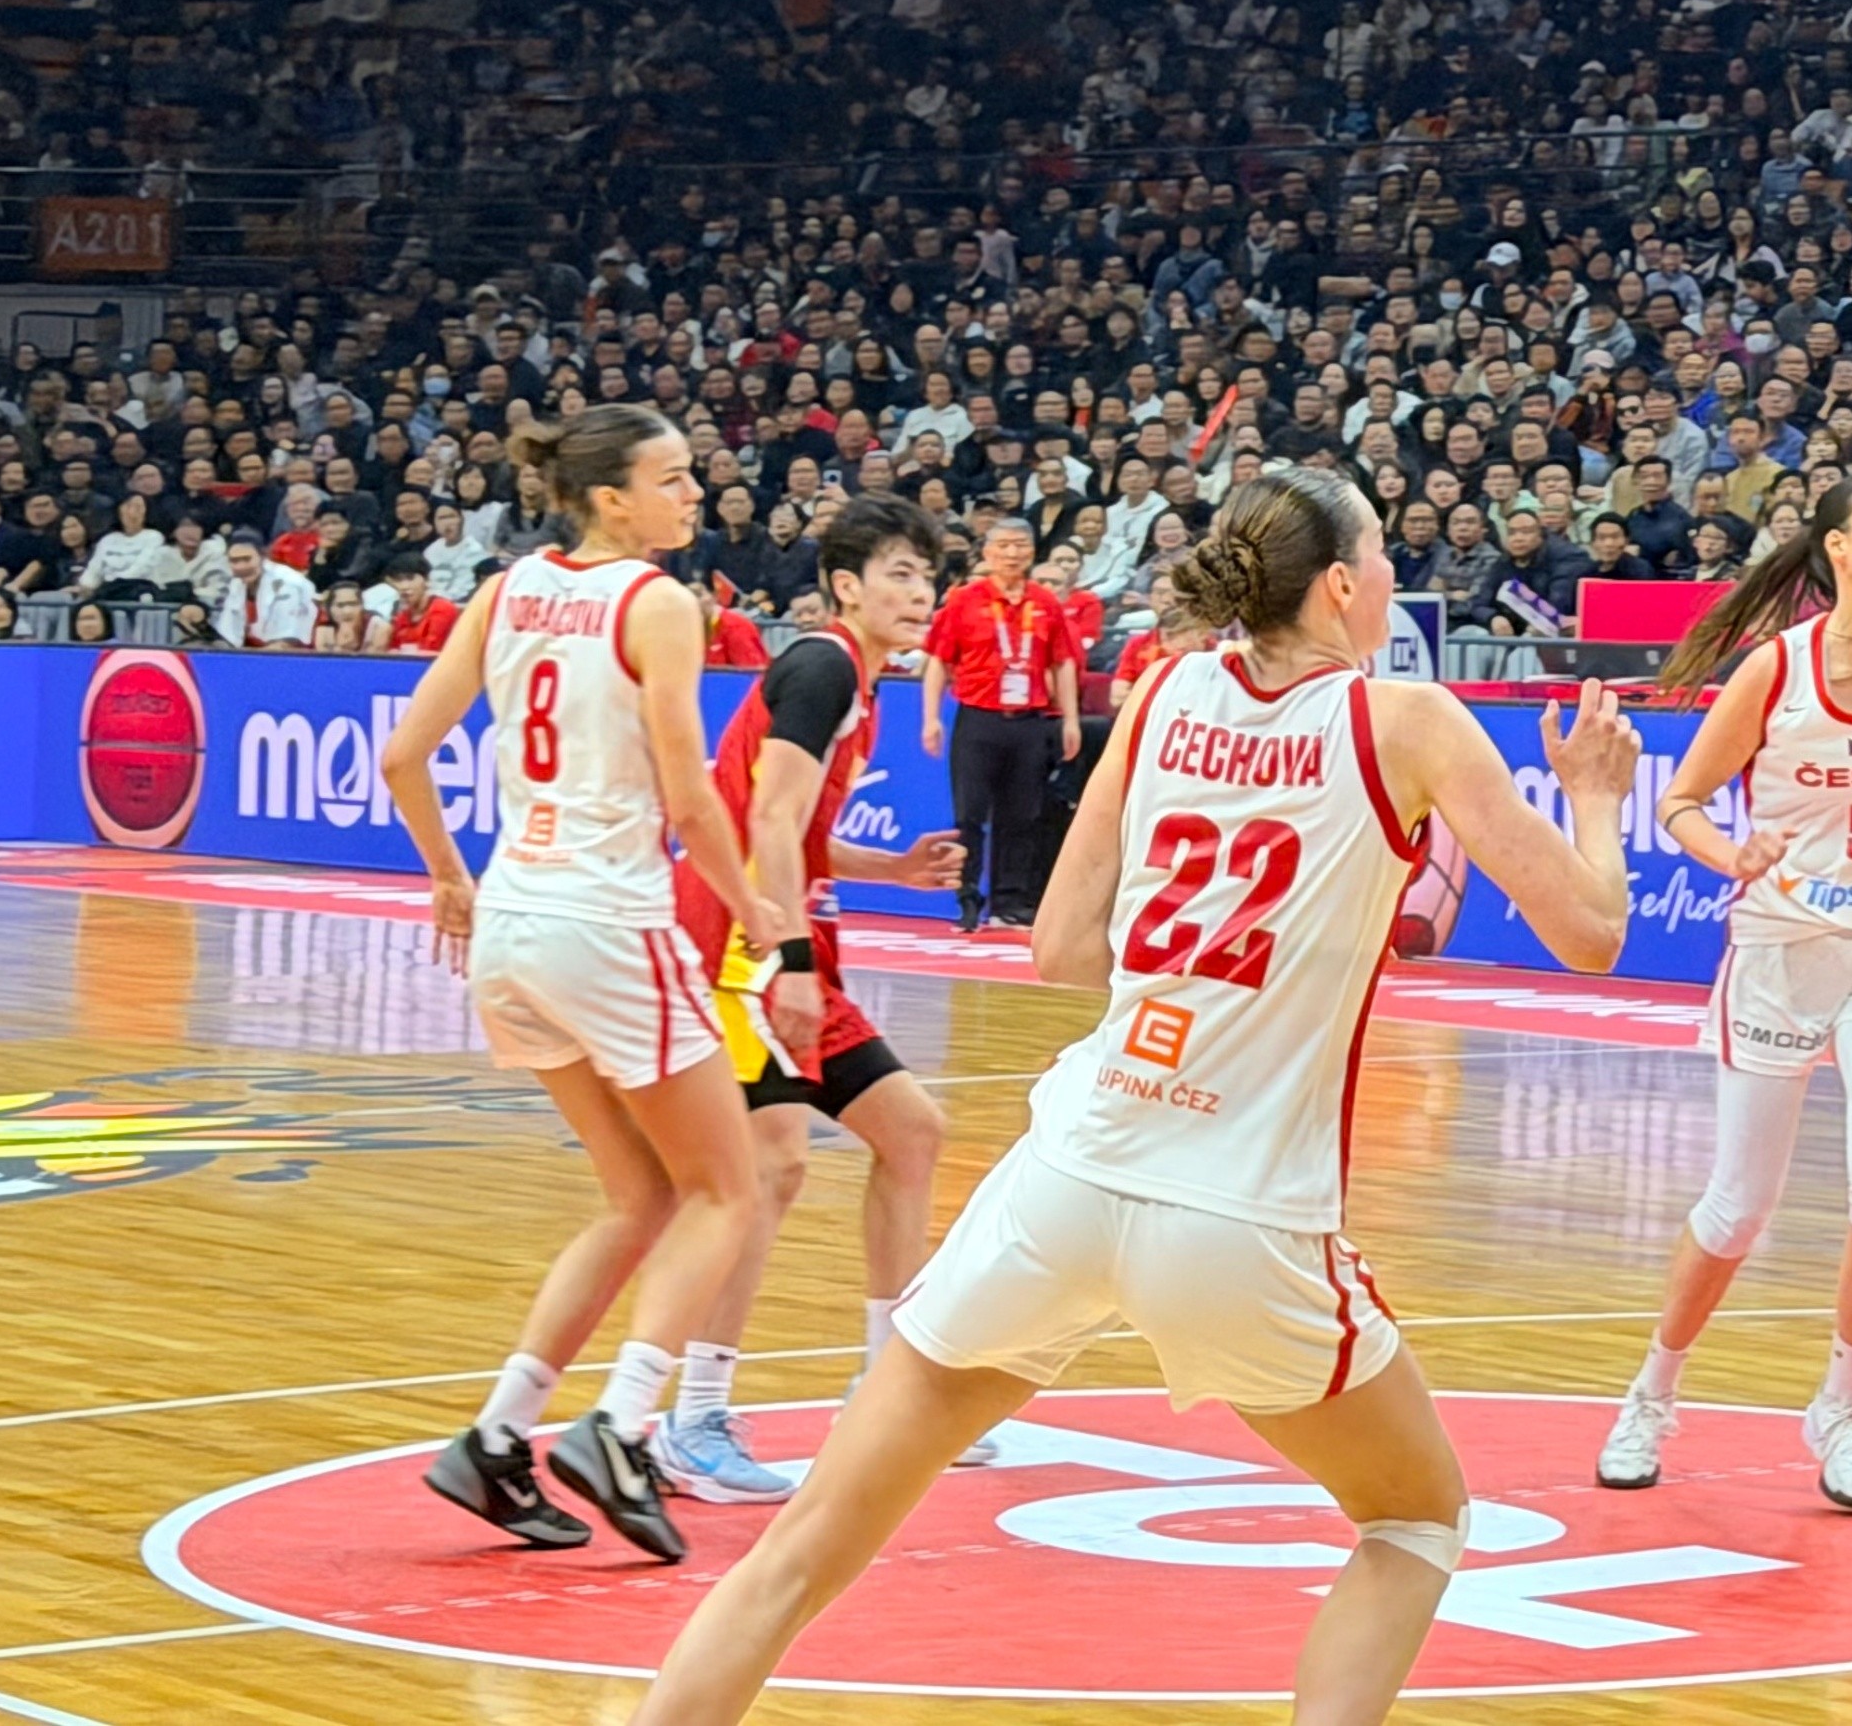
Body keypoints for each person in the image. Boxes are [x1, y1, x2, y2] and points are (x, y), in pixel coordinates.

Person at [629, 470, 1640, 1726]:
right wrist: (1595, 798)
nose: (1391, 576)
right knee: (1414, 1517)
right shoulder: (1411, 719)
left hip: (1073, 1165)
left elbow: (1060, 946)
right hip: (1239, 1205)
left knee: (806, 1545)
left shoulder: (1161, 688)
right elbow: (1590, 931)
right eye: (1381, 554)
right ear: (1340, 583)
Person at [377, 405, 789, 1565]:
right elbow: (688, 792)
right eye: (674, 477)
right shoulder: (657, 602)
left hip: (512, 922)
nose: (694, 493)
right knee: (730, 1186)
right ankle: (622, 1424)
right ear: (614, 496)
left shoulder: (505, 589)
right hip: (606, 921)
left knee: (638, 1196)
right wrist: (755, 906)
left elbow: (404, 754)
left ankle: (497, 1436)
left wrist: (450, 879)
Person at [1594, 473, 1852, 1512]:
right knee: (1739, 1204)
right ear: (1837, 546)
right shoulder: (1774, 668)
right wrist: (1732, 853)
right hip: (1783, 948)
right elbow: (1683, 802)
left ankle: (1841, 1406)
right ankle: (1651, 1393)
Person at [654, 495, 979, 1504]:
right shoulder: (824, 667)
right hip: (743, 941)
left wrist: (891, 867)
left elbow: (791, 829)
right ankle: (694, 1418)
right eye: (898, 574)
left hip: (783, 940)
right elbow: (768, 818)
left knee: (912, 1132)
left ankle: (888, 1385)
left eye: (928, 578)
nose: (920, 594)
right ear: (846, 585)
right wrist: (788, 958)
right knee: (772, 1165)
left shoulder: (856, 684)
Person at [919, 515, 1082, 930]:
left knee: (1022, 815)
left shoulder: (1045, 602)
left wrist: (1070, 719)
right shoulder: (963, 600)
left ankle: (1011, 902)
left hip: (1029, 721)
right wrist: (930, 718)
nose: (1012, 554)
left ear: (1032, 553)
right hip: (978, 719)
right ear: (988, 553)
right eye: (1003, 546)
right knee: (970, 814)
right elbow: (938, 660)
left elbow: (1062, 662)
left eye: (1020, 546)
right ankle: (967, 900)